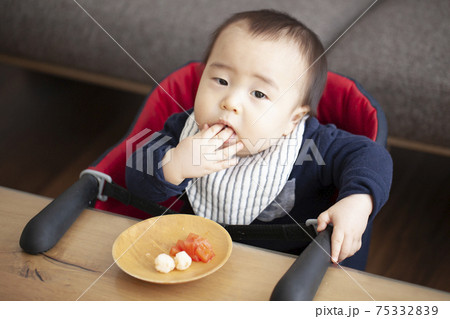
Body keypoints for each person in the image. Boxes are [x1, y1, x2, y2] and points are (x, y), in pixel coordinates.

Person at [126, 9, 393, 270]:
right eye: (220, 80)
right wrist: (173, 164)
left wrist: (358, 201)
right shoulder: (184, 129)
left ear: (292, 120)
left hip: (283, 271)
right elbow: (136, 172)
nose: (230, 102)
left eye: (258, 94)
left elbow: (371, 156)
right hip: (195, 265)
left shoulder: (312, 144)